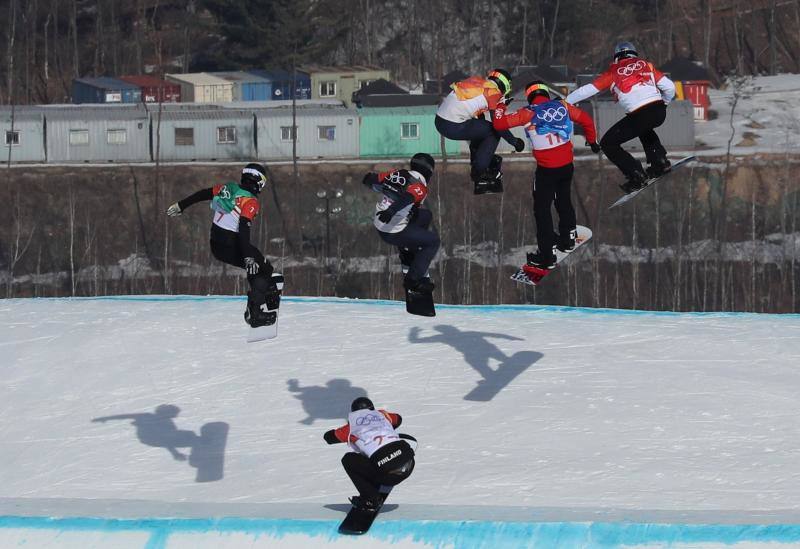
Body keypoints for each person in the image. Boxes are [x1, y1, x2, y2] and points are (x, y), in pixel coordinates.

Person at [493, 81, 599, 269]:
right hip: (567, 165)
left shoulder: (528, 112)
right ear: (547, 93)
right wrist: (592, 141)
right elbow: (587, 120)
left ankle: (546, 254)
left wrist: (500, 105)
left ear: (530, 96)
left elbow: (499, 123)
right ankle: (568, 237)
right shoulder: (563, 106)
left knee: (542, 210)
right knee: (563, 199)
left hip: (546, 169)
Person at [166, 163, 276, 326]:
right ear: (258, 181)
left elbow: (203, 193)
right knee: (262, 268)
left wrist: (181, 205)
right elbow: (244, 230)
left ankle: (260, 297)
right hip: (233, 244)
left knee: (259, 263)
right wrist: (248, 258)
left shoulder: (228, 188)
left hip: (216, 245)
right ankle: (255, 313)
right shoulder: (250, 201)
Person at [565, 41, 676, 193]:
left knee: (608, 144)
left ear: (616, 58)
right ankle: (660, 162)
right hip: (658, 111)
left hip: (640, 115)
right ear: (635, 55)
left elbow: (586, 91)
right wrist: (665, 103)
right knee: (645, 128)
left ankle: (636, 174)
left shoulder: (612, 72)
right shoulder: (646, 65)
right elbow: (670, 87)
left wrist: (565, 102)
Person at [434, 68, 525, 194]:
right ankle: (480, 172)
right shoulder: (493, 93)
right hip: (453, 125)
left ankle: (478, 162)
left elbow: (477, 115)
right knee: (493, 132)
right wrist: (515, 142)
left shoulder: (477, 81)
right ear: (505, 85)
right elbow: (498, 125)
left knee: (482, 129)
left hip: (440, 121)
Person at [362, 153, 440, 293]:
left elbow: (369, 180)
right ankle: (413, 281)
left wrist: (385, 186)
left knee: (425, 215)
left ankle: (408, 252)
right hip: (393, 231)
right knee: (433, 241)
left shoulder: (397, 174)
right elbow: (407, 198)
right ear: (428, 172)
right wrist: (391, 211)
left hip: (382, 221)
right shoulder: (420, 188)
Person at [324, 397, 415, 511]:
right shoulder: (383, 416)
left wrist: (349, 429)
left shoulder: (352, 427)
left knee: (348, 459)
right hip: (409, 464)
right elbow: (398, 419)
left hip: (389, 476)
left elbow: (328, 437)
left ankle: (371, 499)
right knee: (368, 454)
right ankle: (386, 469)